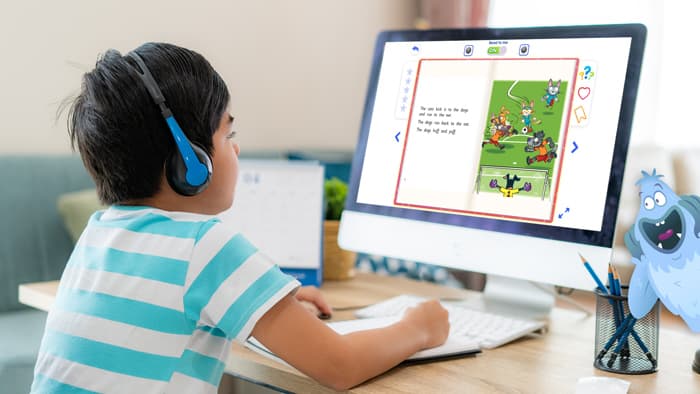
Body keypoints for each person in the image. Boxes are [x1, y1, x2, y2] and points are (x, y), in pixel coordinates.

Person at [30, 42, 449, 393]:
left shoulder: (98, 232)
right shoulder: (205, 245)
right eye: (227, 134)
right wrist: (418, 327)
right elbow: (339, 365)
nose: (236, 149)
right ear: (189, 162)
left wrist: (266, 302)